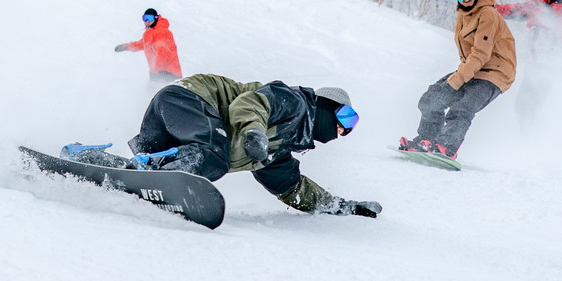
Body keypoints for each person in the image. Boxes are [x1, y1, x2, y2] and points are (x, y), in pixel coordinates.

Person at [73, 74, 379, 217]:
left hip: (174, 119)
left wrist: (340, 206)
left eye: (351, 126)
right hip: (189, 100)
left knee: (155, 166)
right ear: (326, 106)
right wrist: (254, 133)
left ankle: (91, 159)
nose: (344, 129)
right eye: (346, 117)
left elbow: (292, 188)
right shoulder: (295, 102)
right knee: (213, 157)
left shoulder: (279, 149)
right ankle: (151, 168)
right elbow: (252, 103)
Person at [398, 0, 517, 159]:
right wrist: (458, 77)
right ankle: (427, 139)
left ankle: (447, 146)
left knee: (462, 108)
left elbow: (480, 53)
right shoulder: (463, 15)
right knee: (432, 98)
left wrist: (458, 80)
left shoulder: (488, 14)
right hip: (474, 70)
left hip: (495, 73)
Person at [114, 8, 182, 82]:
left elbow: (162, 52)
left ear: (156, 18)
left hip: (168, 73)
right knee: (151, 91)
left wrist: (155, 70)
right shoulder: (150, 33)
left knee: (152, 91)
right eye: (145, 18)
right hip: (159, 71)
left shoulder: (161, 32)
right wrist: (125, 47)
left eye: (149, 18)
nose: (147, 21)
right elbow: (141, 44)